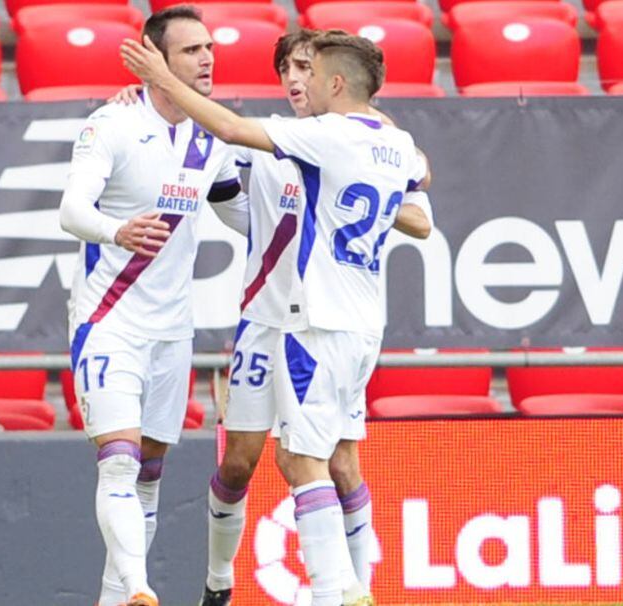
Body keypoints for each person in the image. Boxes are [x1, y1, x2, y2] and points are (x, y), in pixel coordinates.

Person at [122, 30, 428, 606]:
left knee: (317, 460)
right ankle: (224, 582)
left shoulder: (320, 138)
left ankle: (342, 590)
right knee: (242, 462)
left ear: (332, 80)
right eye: (288, 67)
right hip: (281, 319)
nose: (297, 79)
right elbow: (418, 177)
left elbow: (421, 216)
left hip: (315, 319)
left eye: (307, 68)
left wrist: (158, 79)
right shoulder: (376, 140)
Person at [59, 7, 249, 606]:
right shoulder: (111, 125)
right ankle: (141, 588)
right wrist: (117, 232)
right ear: (154, 60)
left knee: (148, 476)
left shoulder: (211, 138)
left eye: (209, 47)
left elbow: (240, 213)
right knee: (118, 459)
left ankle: (119, 599)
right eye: (191, 50)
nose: (207, 58)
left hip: (172, 330)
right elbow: (71, 211)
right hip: (108, 320)